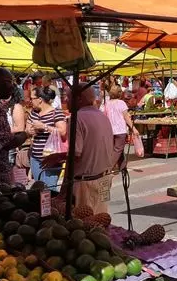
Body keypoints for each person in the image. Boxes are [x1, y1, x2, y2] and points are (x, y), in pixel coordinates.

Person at [69, 84, 116, 215]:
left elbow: (75, 155)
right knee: (101, 219)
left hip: (86, 182)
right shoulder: (102, 116)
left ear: (78, 99)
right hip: (104, 178)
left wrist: (63, 189)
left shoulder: (76, 118)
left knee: (85, 223)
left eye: (68, 97)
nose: (67, 101)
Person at [28, 87, 67, 192]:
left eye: (32, 98)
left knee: (49, 191)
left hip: (52, 160)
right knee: (38, 190)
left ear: (40, 99)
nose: (30, 101)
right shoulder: (34, 113)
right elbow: (27, 129)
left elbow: (63, 132)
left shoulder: (56, 113)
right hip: (35, 158)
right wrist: (30, 131)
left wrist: (44, 127)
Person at [104, 85, 138, 168]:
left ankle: (122, 167)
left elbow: (104, 117)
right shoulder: (121, 103)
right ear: (120, 94)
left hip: (110, 130)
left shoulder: (107, 104)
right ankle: (108, 167)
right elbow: (126, 117)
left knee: (118, 149)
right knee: (118, 150)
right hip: (120, 130)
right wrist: (133, 128)